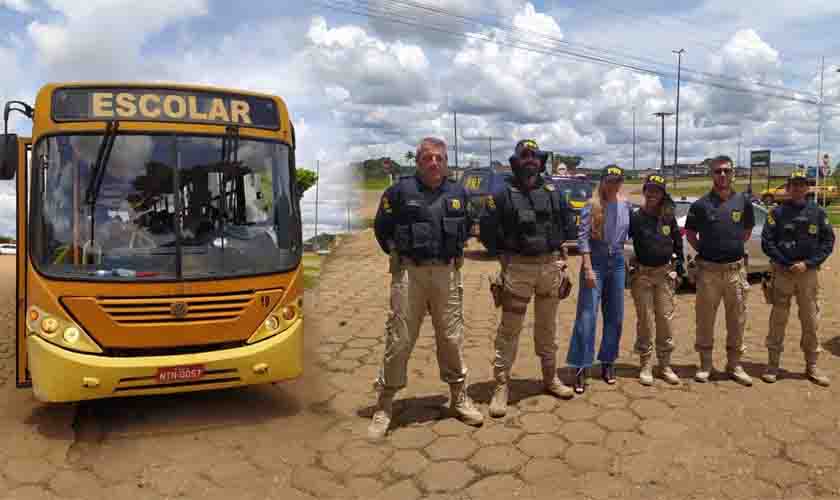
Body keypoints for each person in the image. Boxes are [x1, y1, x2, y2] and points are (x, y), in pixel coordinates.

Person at [369, 137, 483, 439]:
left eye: (440, 158)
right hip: (410, 274)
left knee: (451, 336)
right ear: (418, 162)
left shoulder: (458, 192)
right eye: (428, 158)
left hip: (447, 273)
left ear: (446, 162)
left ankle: (459, 396)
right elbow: (382, 229)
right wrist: (398, 255)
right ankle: (385, 404)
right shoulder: (399, 191)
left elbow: (469, 225)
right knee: (400, 338)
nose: (434, 163)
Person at [483, 139, 575, 418]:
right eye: (525, 155)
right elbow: (488, 232)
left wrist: (561, 257)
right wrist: (503, 259)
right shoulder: (501, 194)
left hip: (549, 268)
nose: (530, 160)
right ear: (516, 160)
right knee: (509, 330)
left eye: (534, 156)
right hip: (518, 269)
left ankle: (550, 378)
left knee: (548, 328)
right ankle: (501, 386)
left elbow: (566, 224)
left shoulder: (553, 192)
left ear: (541, 161)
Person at [684, 155, 755, 386]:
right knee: (705, 320)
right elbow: (691, 234)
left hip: (735, 272)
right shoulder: (701, 205)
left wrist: (731, 248)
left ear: (732, 173)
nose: (722, 175)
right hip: (709, 273)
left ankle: (734, 364)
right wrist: (706, 251)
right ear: (711, 174)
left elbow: (746, 231)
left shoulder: (743, 202)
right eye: (718, 171)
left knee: (737, 320)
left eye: (726, 171)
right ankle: (706, 365)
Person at [760, 170, 835, 386]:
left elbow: (828, 242)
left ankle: (812, 365)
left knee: (810, 320)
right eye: (794, 185)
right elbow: (767, 242)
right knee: (778, 320)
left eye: (802, 184)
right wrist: (784, 263)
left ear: (808, 188)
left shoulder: (818, 213)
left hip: (807, 274)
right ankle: (772, 365)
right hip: (782, 273)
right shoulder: (777, 212)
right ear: (788, 188)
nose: (798, 188)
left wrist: (808, 264)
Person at [567, 165, 632, 393]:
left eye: (617, 181)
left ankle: (608, 362)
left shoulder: (625, 205)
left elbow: (628, 235)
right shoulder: (591, 205)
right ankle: (580, 366)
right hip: (595, 262)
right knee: (587, 316)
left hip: (616, 263)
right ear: (602, 181)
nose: (613, 184)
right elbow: (582, 238)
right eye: (610, 180)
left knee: (615, 315)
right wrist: (587, 269)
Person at [628, 174, 685, 386]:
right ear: (644, 191)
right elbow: (625, 242)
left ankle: (665, 365)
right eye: (649, 190)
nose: (652, 194)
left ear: (663, 194)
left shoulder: (668, 217)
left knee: (665, 319)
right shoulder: (636, 217)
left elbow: (678, 243)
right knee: (645, 320)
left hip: (664, 275)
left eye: (657, 190)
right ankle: (645, 364)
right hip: (642, 275)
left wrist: (678, 267)